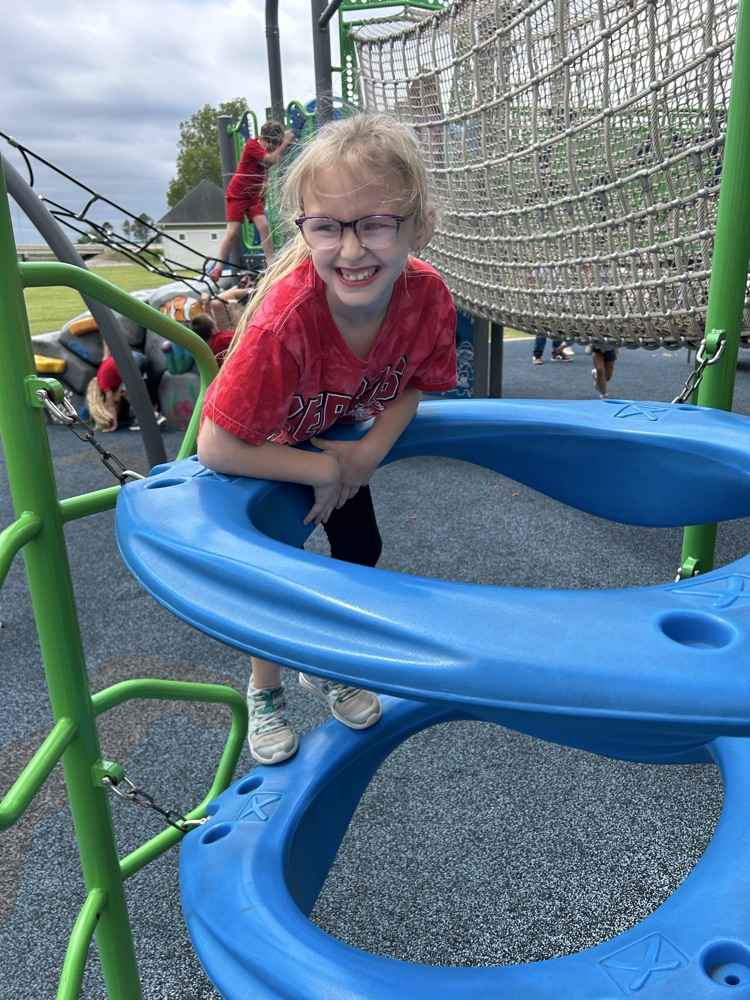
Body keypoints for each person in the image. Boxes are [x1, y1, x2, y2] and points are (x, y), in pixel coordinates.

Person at [197, 113, 458, 765]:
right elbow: (217, 446)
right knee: (274, 570)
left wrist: (365, 453)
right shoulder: (286, 321)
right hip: (263, 443)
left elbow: (411, 386)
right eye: (328, 227)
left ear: (419, 226)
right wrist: (315, 469)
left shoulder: (427, 297)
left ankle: (332, 661)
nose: (352, 249)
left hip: (332, 432)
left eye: (375, 223)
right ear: (304, 228)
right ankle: (265, 688)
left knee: (360, 544)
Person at [208, 121, 295, 281]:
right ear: (261, 137)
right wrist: (285, 142)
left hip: (253, 195)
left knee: (263, 226)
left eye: (274, 144)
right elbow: (270, 160)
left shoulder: (266, 149)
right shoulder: (252, 145)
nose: (271, 146)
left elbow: (264, 169)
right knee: (233, 232)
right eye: (269, 142)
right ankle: (219, 267)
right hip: (238, 193)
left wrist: (265, 185)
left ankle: (270, 262)